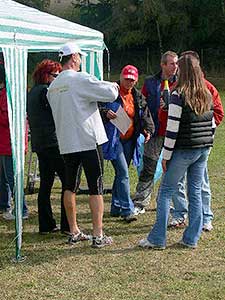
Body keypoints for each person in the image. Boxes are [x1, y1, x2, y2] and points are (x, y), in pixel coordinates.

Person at [47, 42, 119, 248]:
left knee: (70, 186)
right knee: (96, 185)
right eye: (79, 56)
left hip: (67, 141)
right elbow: (110, 94)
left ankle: (74, 230)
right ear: (74, 58)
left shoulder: (53, 86)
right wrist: (113, 85)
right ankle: (98, 234)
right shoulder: (79, 79)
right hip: (88, 139)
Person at [139, 54, 214, 249]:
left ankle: (157, 239)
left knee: (165, 192)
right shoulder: (206, 92)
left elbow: (172, 130)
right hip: (203, 149)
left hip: (184, 149)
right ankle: (191, 238)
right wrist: (207, 145)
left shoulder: (177, 94)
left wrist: (165, 156)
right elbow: (212, 124)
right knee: (195, 192)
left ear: (181, 70)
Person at [169, 51, 224, 230]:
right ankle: (180, 214)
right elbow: (171, 118)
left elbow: (218, 114)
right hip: (186, 143)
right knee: (180, 183)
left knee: (200, 183)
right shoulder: (176, 88)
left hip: (198, 144)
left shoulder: (208, 89)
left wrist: (205, 133)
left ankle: (205, 217)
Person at [100, 65, 154, 222]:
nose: (129, 82)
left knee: (120, 174)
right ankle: (127, 210)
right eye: (127, 79)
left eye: (132, 80)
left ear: (136, 80)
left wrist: (147, 130)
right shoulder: (110, 92)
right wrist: (105, 113)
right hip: (114, 139)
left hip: (130, 140)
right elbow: (97, 107)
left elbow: (145, 115)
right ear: (121, 77)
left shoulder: (137, 96)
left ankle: (115, 208)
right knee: (123, 172)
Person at [27, 59, 70, 234]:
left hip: (40, 143)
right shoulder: (46, 91)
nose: (58, 78)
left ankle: (46, 224)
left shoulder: (32, 92)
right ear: (46, 75)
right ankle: (67, 225)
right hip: (52, 142)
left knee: (46, 184)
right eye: (55, 75)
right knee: (68, 181)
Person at [132, 51, 178, 209]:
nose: (175, 67)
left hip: (175, 132)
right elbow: (142, 105)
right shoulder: (151, 82)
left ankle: (169, 202)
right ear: (163, 65)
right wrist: (145, 127)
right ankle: (140, 201)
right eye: (172, 63)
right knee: (149, 166)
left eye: (176, 63)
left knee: (173, 168)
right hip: (154, 132)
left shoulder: (181, 83)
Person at [0, 63, 29, 219]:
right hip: (4, 143)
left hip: (9, 144)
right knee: (4, 178)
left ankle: (22, 210)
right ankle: (5, 205)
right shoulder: (5, 93)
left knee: (12, 178)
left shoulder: (8, 94)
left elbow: (8, 119)